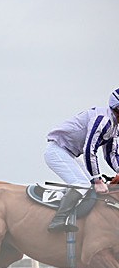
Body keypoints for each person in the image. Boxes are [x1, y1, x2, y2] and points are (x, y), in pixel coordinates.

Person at [44, 88, 119, 232]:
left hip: (70, 155)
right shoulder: (103, 120)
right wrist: (97, 180)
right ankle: (58, 220)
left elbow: (111, 154)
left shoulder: (115, 127)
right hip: (57, 151)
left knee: (90, 184)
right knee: (82, 184)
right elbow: (89, 150)